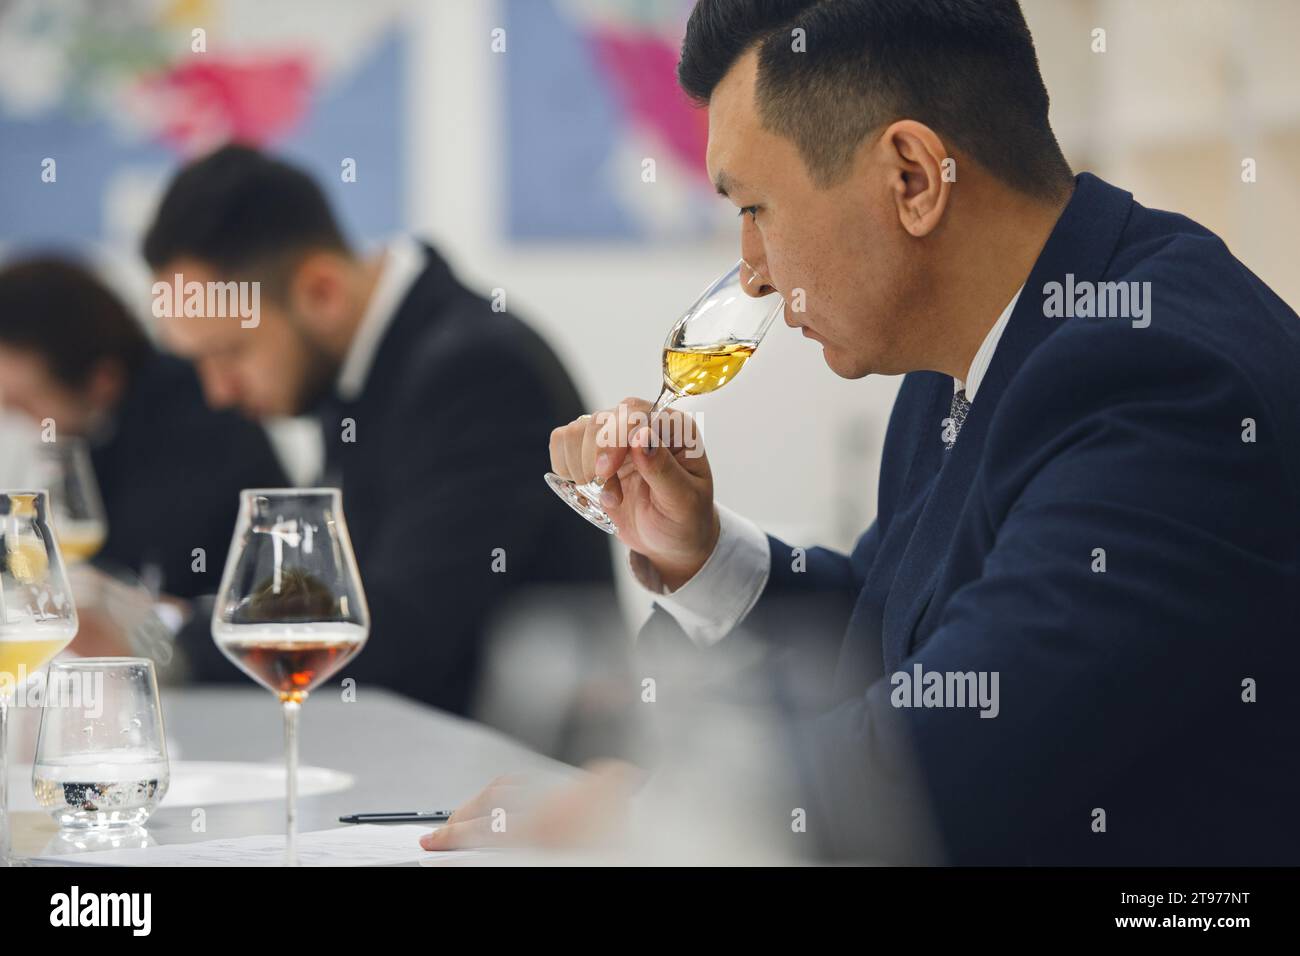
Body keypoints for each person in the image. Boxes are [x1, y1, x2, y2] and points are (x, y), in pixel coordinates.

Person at [427, 0, 1300, 864]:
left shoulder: (1162, 377)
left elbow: (955, 750)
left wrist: (646, 812)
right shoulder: (967, 349)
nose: (754, 273)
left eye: (757, 208)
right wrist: (698, 553)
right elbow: (909, 638)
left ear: (913, 178)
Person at [143, 145, 615, 715]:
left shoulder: (476, 369)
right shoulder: (367, 363)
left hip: (511, 780)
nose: (218, 392)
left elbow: (404, 632)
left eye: (231, 353)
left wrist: (164, 638)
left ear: (321, 291)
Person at [0, 255, 288, 606]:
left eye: (25, 403)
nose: (18, 423)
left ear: (101, 382)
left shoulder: (197, 428)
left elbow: (140, 589)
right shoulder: (102, 423)